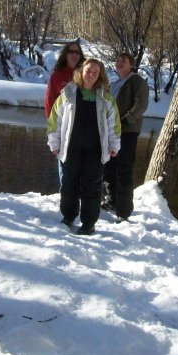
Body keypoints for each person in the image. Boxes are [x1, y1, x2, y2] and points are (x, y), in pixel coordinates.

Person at [47, 58, 121, 235]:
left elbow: (114, 125)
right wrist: (54, 142)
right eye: (88, 71)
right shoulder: (68, 94)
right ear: (81, 72)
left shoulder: (106, 98)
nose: (91, 75)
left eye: (96, 72)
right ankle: (68, 216)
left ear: (100, 75)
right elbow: (54, 120)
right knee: (69, 183)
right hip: (71, 147)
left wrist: (114, 144)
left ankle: (88, 223)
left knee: (92, 186)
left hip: (95, 149)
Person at [102, 53, 149, 222]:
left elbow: (140, 105)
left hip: (127, 132)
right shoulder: (113, 84)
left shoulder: (138, 82)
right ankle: (111, 200)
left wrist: (123, 121)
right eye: (118, 60)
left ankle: (124, 210)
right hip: (110, 132)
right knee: (108, 168)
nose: (120, 62)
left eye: (124, 61)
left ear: (131, 65)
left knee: (123, 170)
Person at [44, 41, 85, 118]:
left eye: (77, 52)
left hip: (80, 120)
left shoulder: (85, 74)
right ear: (65, 54)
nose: (74, 55)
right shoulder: (57, 75)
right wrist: (51, 121)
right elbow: (50, 100)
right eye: (71, 52)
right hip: (61, 119)